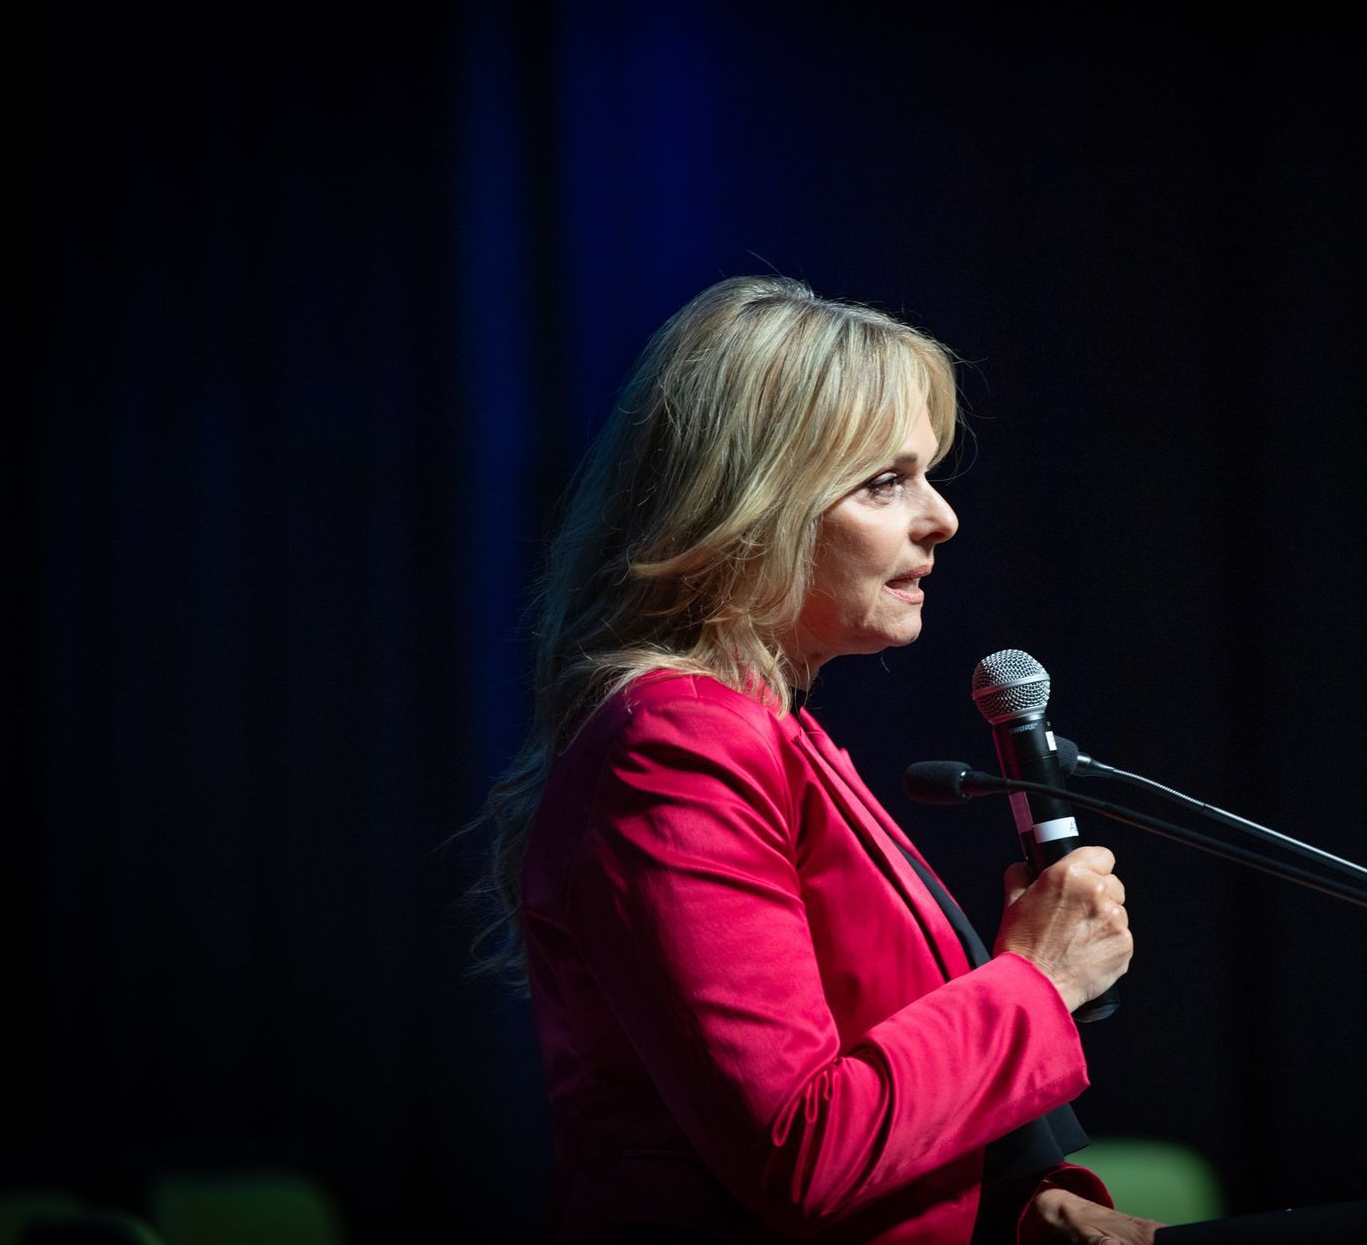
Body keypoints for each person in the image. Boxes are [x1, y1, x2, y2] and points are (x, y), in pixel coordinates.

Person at [464, 276, 1156, 1244]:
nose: (942, 519)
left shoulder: (773, 733)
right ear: (750, 507)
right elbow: (802, 1148)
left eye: (929, 474)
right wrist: (1038, 979)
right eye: (885, 481)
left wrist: (1027, 1209)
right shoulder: (676, 743)